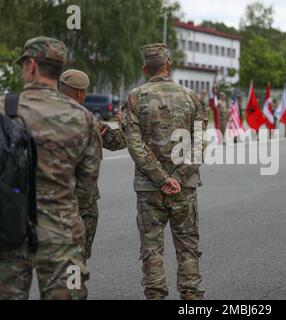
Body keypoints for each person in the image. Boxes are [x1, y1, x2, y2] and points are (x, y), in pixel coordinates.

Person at [0, 36, 101, 300]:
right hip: (62, 234)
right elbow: (86, 188)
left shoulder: (3, 108)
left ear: (31, 65)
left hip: (6, 229)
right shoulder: (84, 119)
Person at [123, 43, 208, 300]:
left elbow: (134, 144)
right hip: (185, 187)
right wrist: (179, 177)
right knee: (187, 248)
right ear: (168, 64)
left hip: (150, 188)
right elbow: (201, 141)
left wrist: (161, 179)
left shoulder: (136, 97)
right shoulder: (191, 97)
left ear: (144, 68)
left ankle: (156, 296)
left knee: (152, 250)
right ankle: (192, 300)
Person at [59, 69, 127, 263]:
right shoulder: (88, 120)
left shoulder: (38, 115)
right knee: (76, 258)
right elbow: (116, 142)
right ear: (81, 93)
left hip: (44, 197)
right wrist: (124, 125)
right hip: (80, 200)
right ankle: (73, 288)